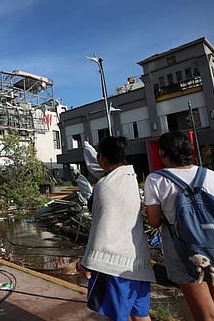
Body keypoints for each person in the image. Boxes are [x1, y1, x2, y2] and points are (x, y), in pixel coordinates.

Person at [143, 131, 214, 321]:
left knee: (207, 315)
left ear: (162, 152)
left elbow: (154, 222)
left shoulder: (156, 180)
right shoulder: (211, 175)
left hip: (184, 251)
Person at [78, 136, 156, 321]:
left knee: (117, 315)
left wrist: (87, 261)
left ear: (101, 158)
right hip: (138, 261)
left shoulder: (104, 186)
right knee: (141, 315)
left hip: (114, 266)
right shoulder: (130, 178)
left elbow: (102, 228)